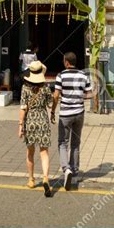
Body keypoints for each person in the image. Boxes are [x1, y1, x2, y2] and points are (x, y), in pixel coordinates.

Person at [51, 52, 92, 190]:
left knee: (63, 143)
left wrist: (52, 110)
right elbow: (89, 94)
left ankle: (66, 169)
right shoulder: (83, 75)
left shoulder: (61, 75)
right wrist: (78, 96)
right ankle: (74, 173)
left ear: (67, 62)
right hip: (79, 113)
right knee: (75, 143)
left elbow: (56, 95)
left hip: (65, 115)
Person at [19, 61, 53, 197]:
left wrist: (20, 125)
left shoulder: (25, 88)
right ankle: (45, 177)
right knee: (44, 152)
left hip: (30, 121)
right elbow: (50, 104)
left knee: (30, 152)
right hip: (43, 120)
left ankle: (31, 179)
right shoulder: (45, 88)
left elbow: (22, 108)